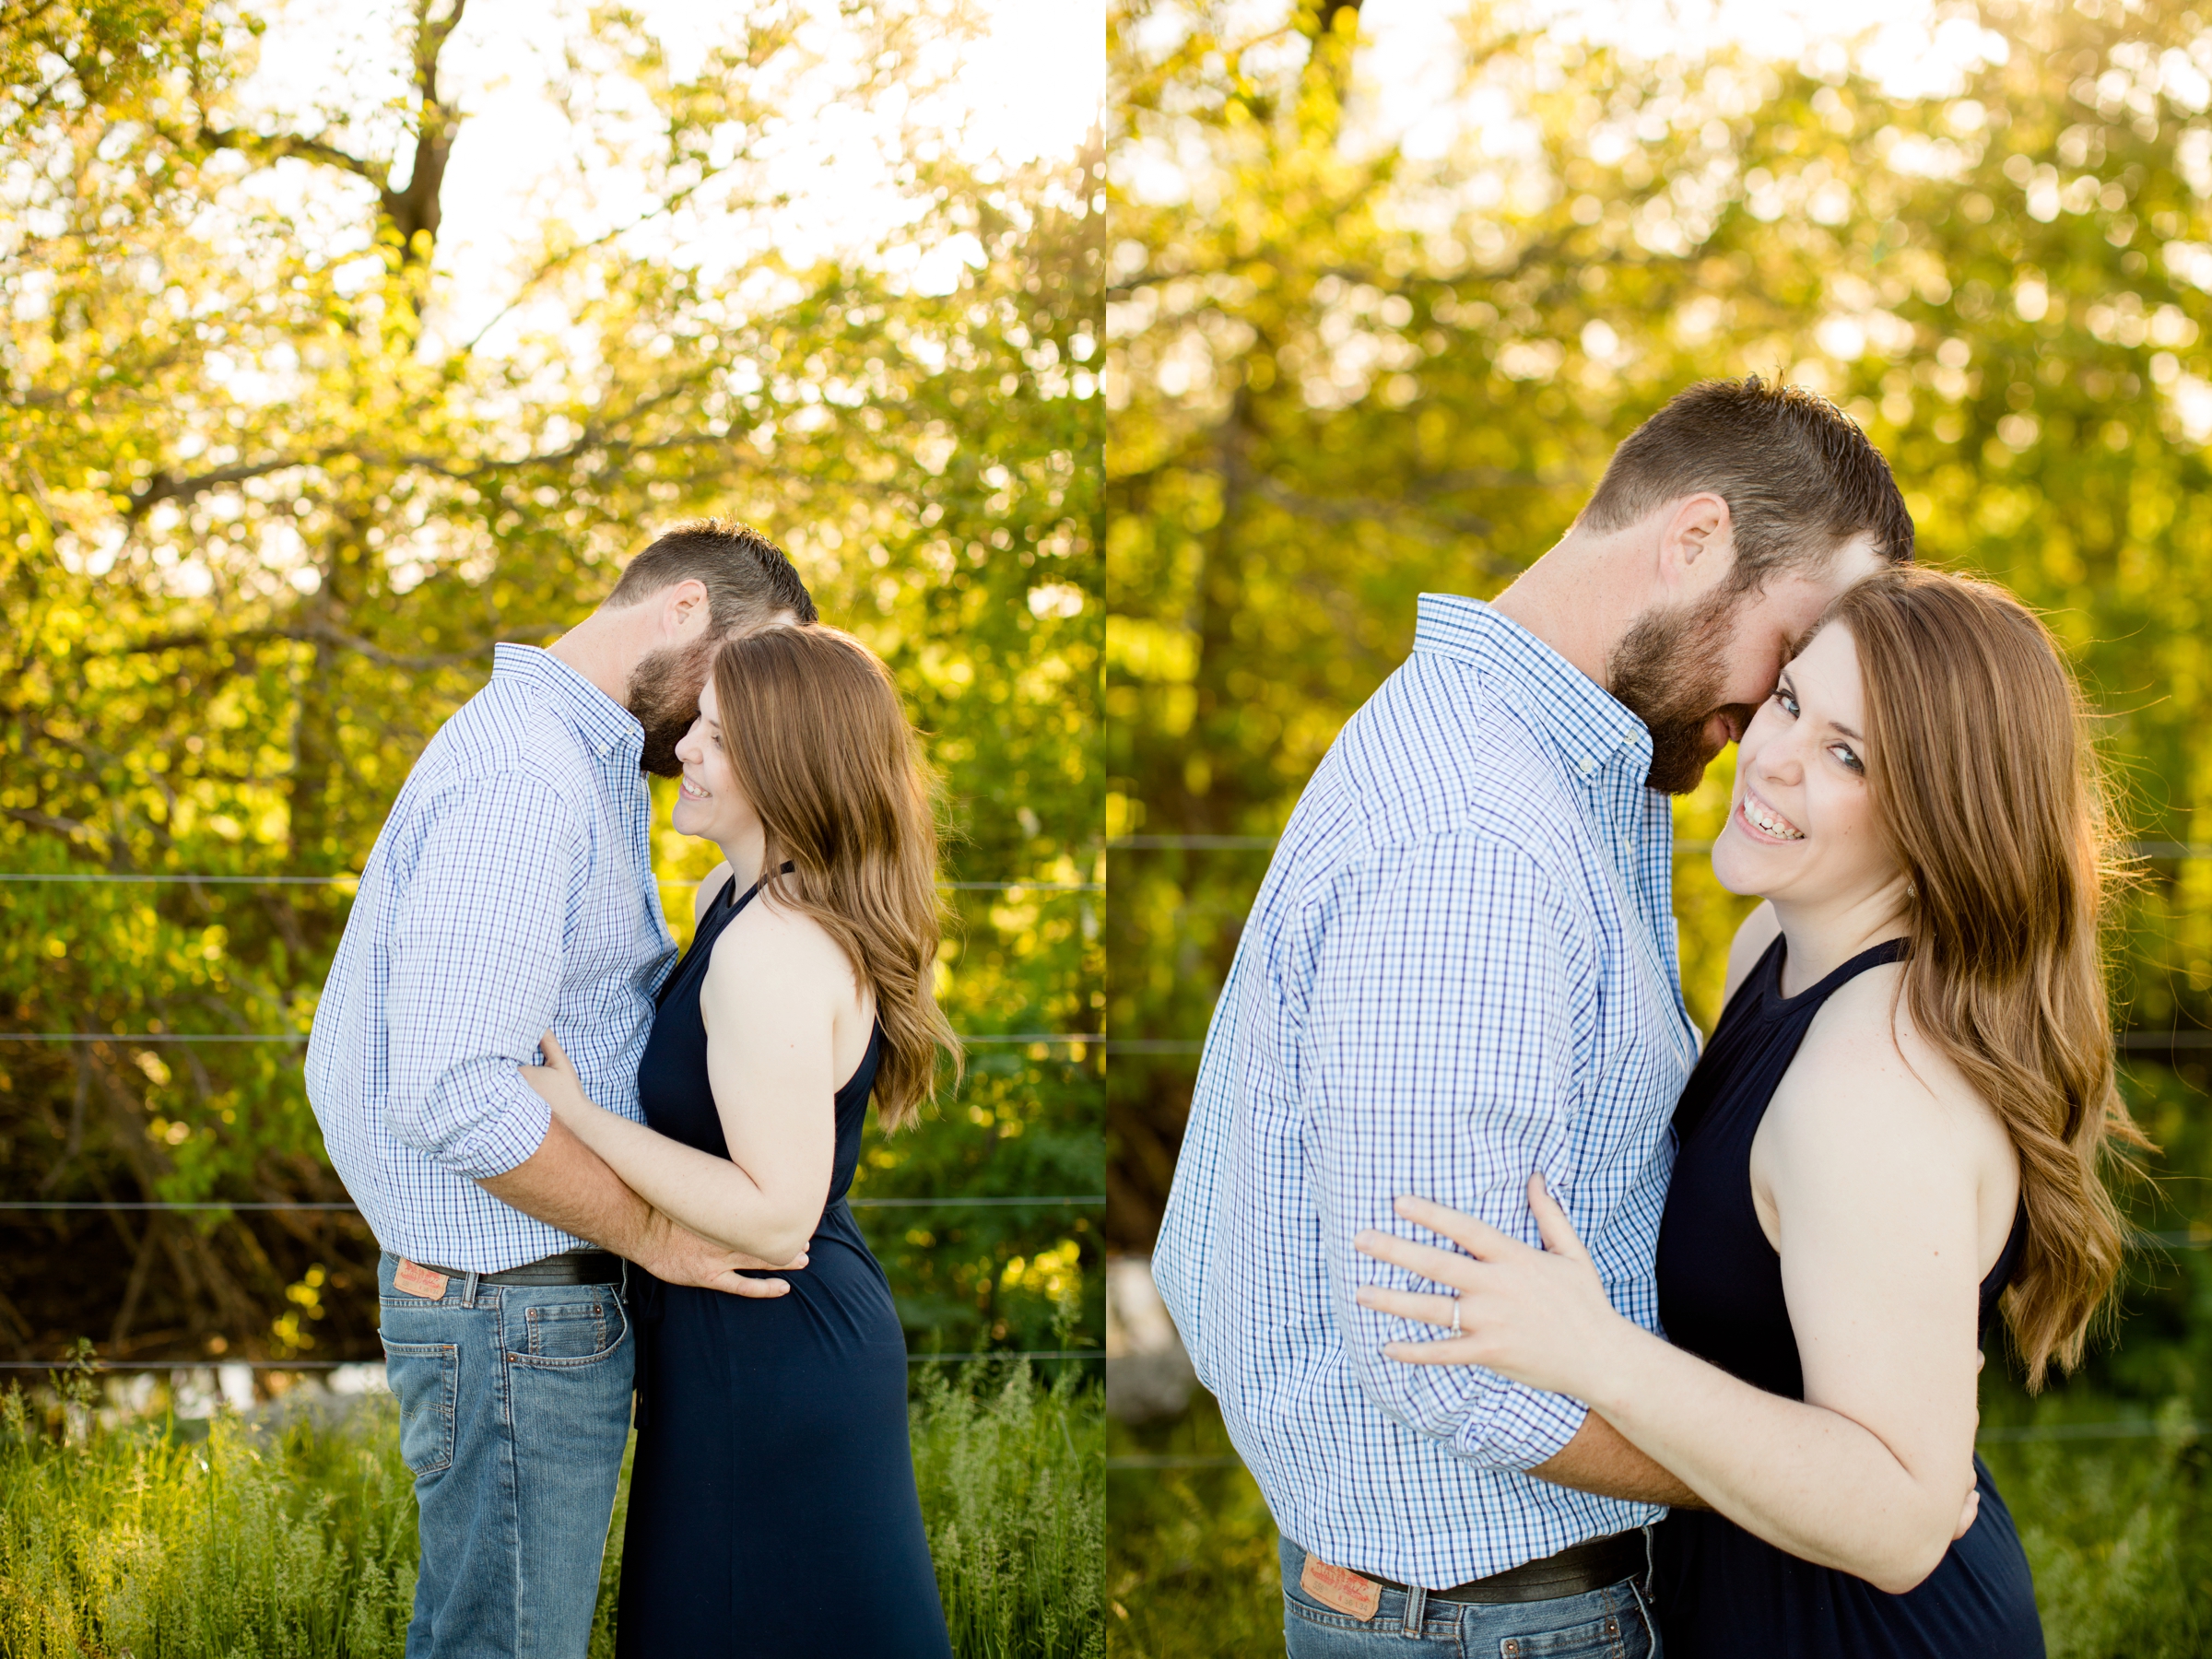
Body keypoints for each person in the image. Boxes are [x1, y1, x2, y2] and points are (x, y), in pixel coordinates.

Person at [1152, 378, 1913, 1655]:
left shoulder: (1544, 771)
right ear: (1695, 540)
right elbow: (1447, 1353)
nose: (1784, 705)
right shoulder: (1476, 836)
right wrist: (1805, 1480)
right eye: (1793, 649)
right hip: (1498, 1623)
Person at [1356, 567, 2142, 1655]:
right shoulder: (1773, 949)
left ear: (1942, 817)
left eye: (1848, 755)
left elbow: (1907, 1520)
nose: (1772, 759)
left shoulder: (1875, 1083)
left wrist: (1595, 1352)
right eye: (1790, 703)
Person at [305, 521, 817, 1658]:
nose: (737, 723)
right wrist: (656, 1238)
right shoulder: (527, 774)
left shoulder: (578, 759)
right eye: (742, 677)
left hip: (524, 1303)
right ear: (684, 608)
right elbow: (454, 1092)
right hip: (512, 1304)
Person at [516, 623, 960, 1657]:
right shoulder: (735, 900)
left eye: (714, 737)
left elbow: (773, 1215)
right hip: (738, 1344)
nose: (683, 752)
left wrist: (580, 1118)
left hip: (774, 1347)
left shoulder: (772, 948)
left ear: (782, 767)